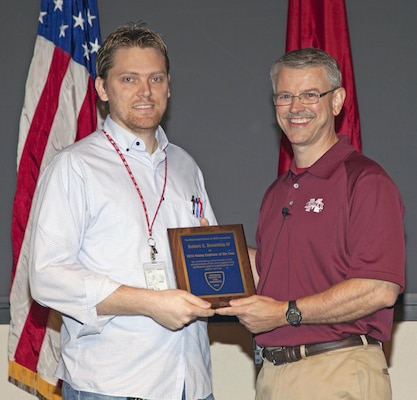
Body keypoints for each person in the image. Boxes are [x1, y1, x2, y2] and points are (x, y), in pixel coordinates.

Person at [29, 23, 217, 400]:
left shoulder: (185, 166)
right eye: (129, 79)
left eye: (156, 78)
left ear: (168, 86)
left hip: (191, 383)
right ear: (102, 88)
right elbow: (47, 276)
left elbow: (211, 252)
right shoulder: (75, 166)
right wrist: (149, 303)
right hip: (114, 386)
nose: (145, 92)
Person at [216, 48, 405, 400]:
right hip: (273, 375)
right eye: (285, 96)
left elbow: (379, 288)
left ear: (337, 102)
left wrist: (283, 313)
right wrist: (214, 249)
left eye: (309, 95)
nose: (295, 107)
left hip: (337, 371)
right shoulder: (277, 193)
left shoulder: (366, 181)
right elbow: (268, 272)